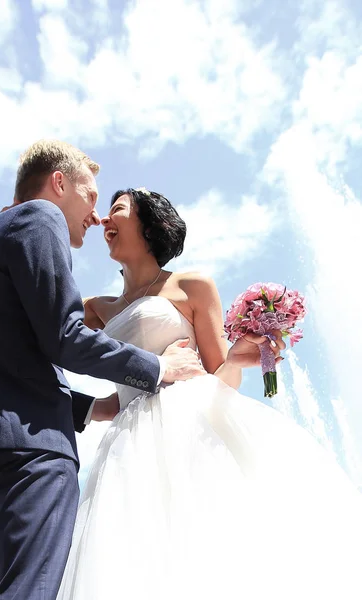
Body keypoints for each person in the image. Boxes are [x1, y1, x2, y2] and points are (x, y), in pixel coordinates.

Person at [0, 144, 205, 600]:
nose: (96, 215)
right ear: (60, 184)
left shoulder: (0, 231)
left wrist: (92, 408)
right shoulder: (40, 217)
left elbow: (9, 352)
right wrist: (159, 366)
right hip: (24, 446)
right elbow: (64, 336)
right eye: (92, 196)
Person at [57, 187, 362, 600]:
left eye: (117, 210)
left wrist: (237, 361)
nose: (104, 220)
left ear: (149, 223)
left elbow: (220, 376)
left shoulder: (192, 285)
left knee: (207, 546)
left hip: (189, 425)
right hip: (127, 447)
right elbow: (59, 340)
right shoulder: (96, 307)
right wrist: (95, 408)